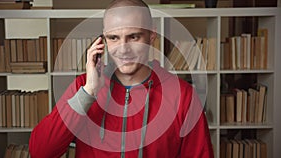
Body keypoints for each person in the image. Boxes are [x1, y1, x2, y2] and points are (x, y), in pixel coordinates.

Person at [29, 0, 214, 157]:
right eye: (114, 38)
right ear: (103, 40)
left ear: (151, 36)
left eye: (133, 37)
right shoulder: (83, 87)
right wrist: (89, 92)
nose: (123, 49)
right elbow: (40, 152)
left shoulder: (182, 95)